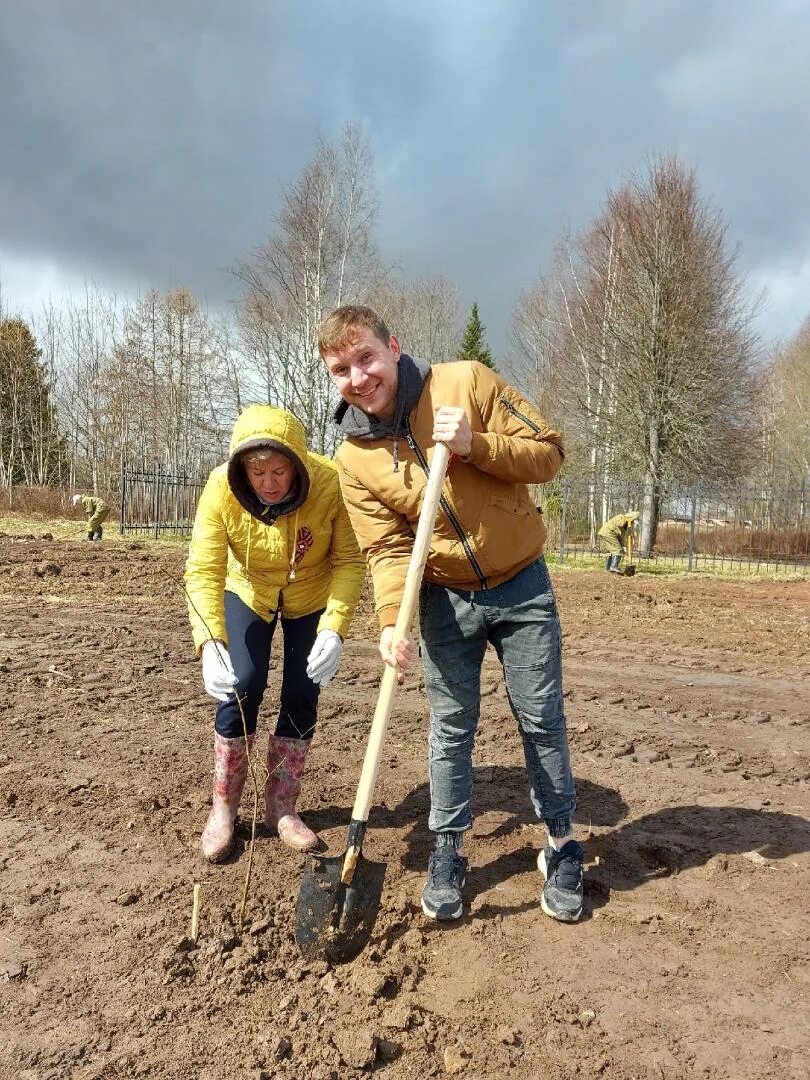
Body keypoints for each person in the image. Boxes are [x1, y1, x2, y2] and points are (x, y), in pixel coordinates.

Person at [319, 305, 582, 924]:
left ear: (393, 346)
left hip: (522, 584)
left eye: (366, 358)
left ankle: (562, 843)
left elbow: (549, 453)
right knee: (451, 728)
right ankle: (448, 850)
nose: (358, 377)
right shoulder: (354, 457)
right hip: (442, 596)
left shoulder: (466, 382)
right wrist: (392, 621)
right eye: (341, 369)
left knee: (542, 718)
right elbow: (385, 548)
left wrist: (475, 445)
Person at [184, 404, 365, 862]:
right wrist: (209, 642)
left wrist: (335, 628)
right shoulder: (220, 489)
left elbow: (348, 560)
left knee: (304, 690)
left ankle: (281, 807)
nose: (268, 482)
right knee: (240, 684)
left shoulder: (330, 484)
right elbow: (204, 568)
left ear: (298, 465)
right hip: (249, 591)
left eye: (280, 470)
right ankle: (223, 806)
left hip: (311, 594)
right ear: (241, 467)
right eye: (257, 470)